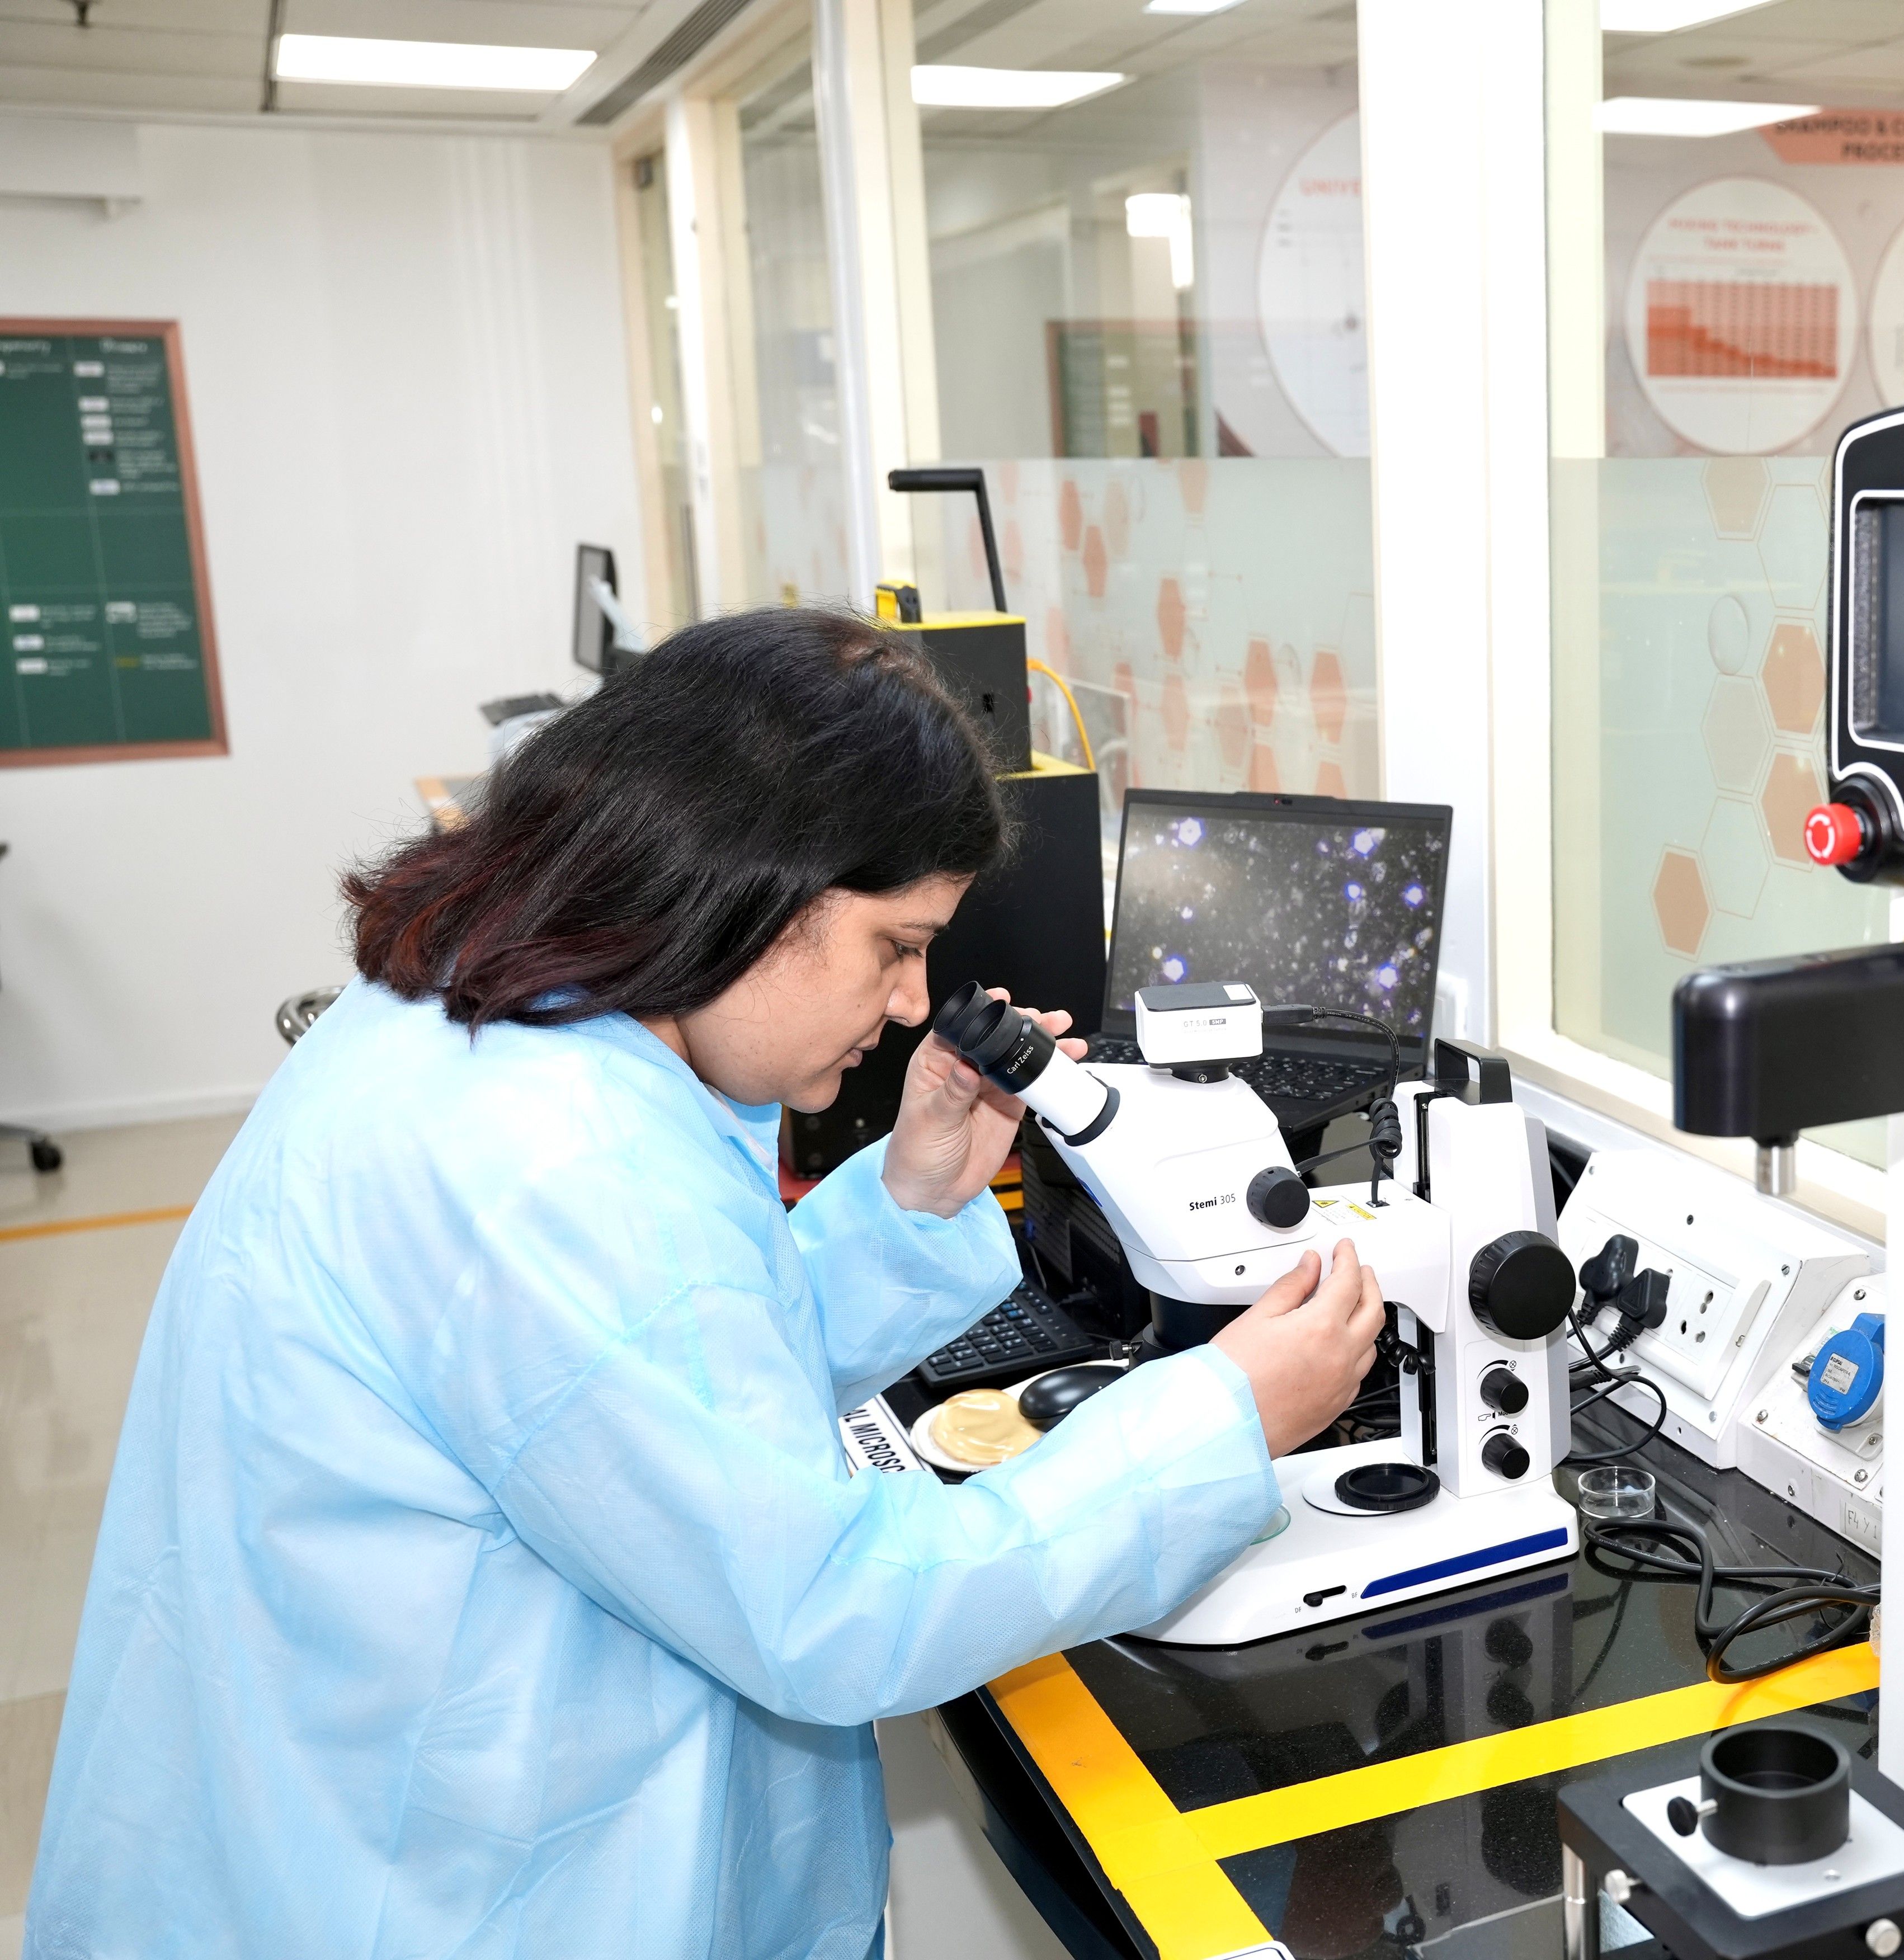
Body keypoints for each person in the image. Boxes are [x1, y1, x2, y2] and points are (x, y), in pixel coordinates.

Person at [24, 610, 1385, 1959]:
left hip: (362, 1807)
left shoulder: (492, 1026)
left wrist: (912, 1201)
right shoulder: (558, 1157)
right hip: (432, 1890)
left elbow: (642, 1383)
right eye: (896, 947)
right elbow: (837, 1607)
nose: (914, 1005)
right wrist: (1219, 1420)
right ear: (753, 883)